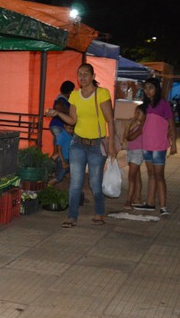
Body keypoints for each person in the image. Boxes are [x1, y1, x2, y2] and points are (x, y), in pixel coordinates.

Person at [45, 63, 117, 228]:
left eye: (86, 74)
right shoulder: (75, 96)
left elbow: (110, 121)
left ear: (93, 76)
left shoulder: (102, 93)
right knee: (75, 183)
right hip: (77, 143)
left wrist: (111, 145)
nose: (82, 77)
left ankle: (99, 214)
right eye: (80, 74)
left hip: (96, 145)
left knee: (94, 183)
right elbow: (73, 120)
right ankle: (72, 216)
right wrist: (57, 113)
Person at [133, 77, 177, 216]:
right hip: (146, 145)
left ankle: (163, 206)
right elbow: (142, 126)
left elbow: (171, 124)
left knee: (159, 175)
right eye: (145, 88)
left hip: (159, 146)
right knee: (151, 174)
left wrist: (174, 143)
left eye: (150, 88)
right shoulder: (145, 106)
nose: (147, 91)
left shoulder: (164, 104)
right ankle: (150, 203)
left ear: (156, 89)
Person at [123, 104, 146, 209]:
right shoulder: (136, 124)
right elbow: (125, 137)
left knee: (131, 176)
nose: (136, 115)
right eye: (135, 113)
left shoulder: (142, 126)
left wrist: (129, 126)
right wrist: (129, 126)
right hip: (131, 151)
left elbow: (130, 137)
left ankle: (129, 201)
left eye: (138, 113)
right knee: (136, 176)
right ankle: (137, 198)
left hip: (138, 152)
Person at [49, 80, 74, 157]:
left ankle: (51, 166)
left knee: (58, 150)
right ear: (69, 91)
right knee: (58, 151)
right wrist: (71, 111)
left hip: (57, 125)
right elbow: (58, 107)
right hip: (58, 125)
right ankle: (49, 167)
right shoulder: (62, 98)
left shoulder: (63, 98)